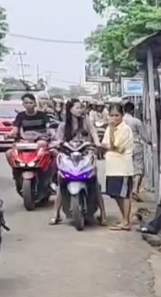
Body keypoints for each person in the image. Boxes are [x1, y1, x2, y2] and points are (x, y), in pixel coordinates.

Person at [50, 98, 105, 225]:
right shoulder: (63, 125)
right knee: (61, 182)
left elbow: (93, 132)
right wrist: (56, 144)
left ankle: (103, 213)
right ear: (70, 110)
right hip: (68, 157)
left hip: (86, 156)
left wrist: (97, 143)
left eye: (81, 107)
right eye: (77, 108)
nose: (80, 110)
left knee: (94, 182)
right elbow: (58, 140)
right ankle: (55, 213)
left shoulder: (86, 122)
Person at [102, 103, 135, 231]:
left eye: (117, 115)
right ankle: (124, 219)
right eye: (111, 115)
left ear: (122, 115)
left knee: (124, 195)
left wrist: (110, 130)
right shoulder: (109, 128)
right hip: (112, 167)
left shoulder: (125, 129)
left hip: (123, 168)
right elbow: (105, 144)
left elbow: (116, 146)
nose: (114, 118)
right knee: (115, 194)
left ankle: (126, 221)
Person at [122, 101, 150, 201]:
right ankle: (134, 190)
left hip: (124, 147)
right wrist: (150, 142)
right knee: (138, 169)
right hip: (136, 145)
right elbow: (145, 136)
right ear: (132, 110)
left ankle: (125, 191)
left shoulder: (120, 121)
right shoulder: (136, 121)